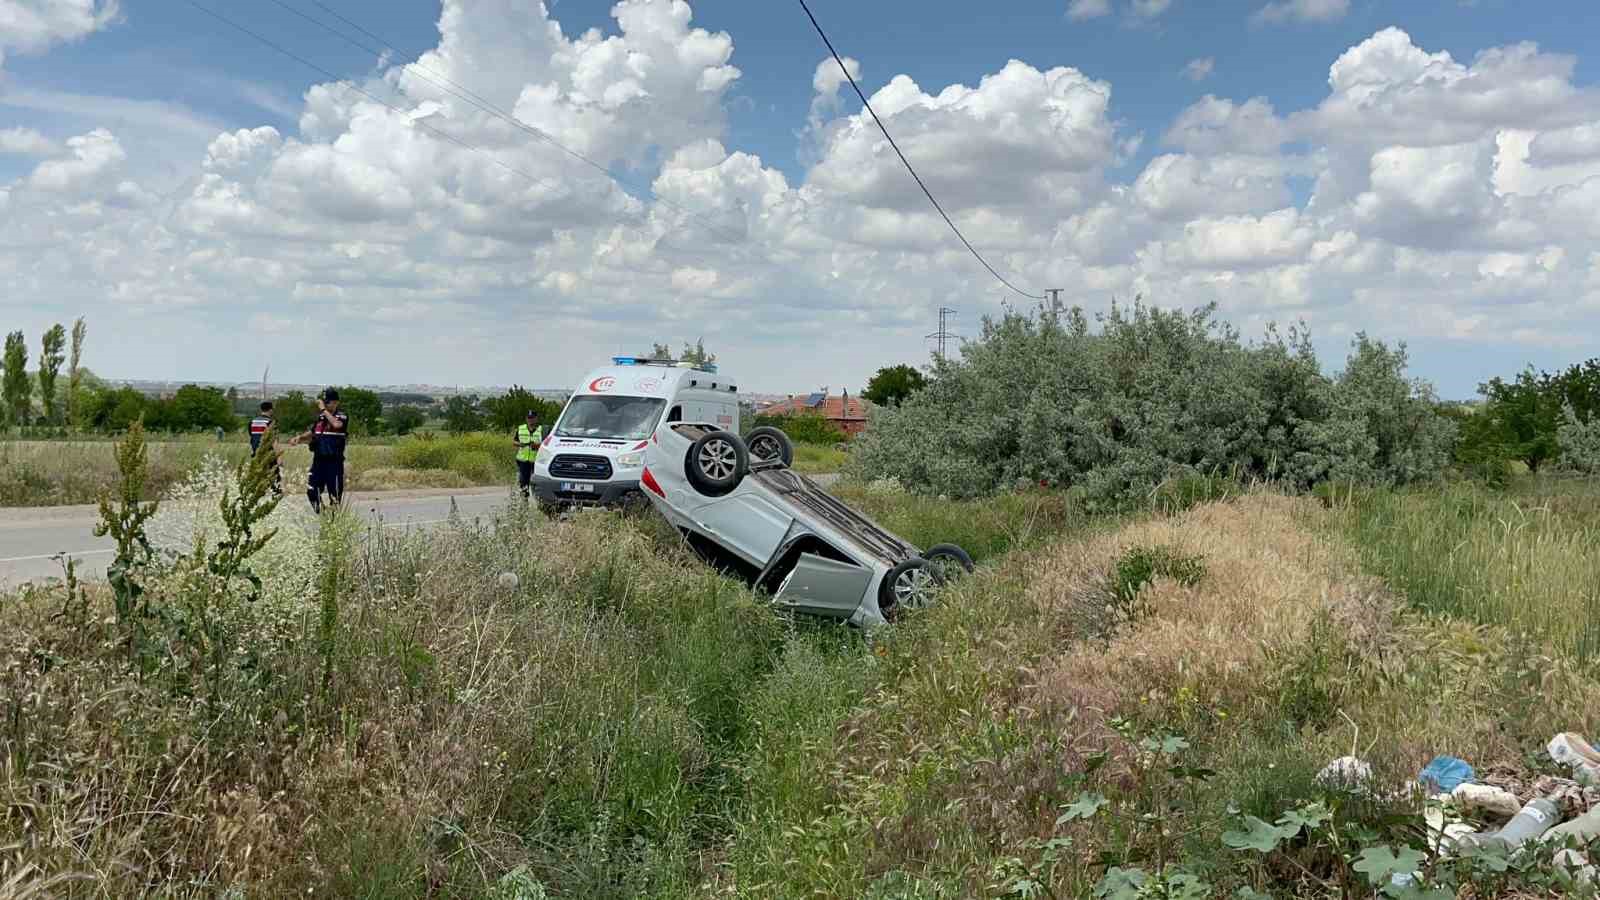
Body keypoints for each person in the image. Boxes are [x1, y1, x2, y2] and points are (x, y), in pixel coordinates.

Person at [288, 388, 348, 513]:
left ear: (336, 402)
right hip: (319, 460)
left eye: (328, 402)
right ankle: (323, 515)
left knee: (335, 495)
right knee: (312, 491)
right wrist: (299, 438)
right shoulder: (321, 417)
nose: (325, 405)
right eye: (324, 402)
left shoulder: (341, 415)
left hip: (334, 461)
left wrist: (323, 410)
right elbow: (313, 432)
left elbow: (337, 425)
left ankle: (334, 520)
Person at [249, 400, 283, 496]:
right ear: (271, 410)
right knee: (274, 476)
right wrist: (279, 457)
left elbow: (252, 438)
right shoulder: (271, 423)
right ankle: (275, 493)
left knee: (258, 475)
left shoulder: (252, 422)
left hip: (256, 454)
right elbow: (274, 441)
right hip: (269, 454)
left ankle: (255, 493)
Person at [515, 410, 544, 499]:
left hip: (536, 461)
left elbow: (546, 444)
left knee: (538, 482)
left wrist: (538, 446)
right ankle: (525, 500)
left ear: (536, 419)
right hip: (523, 460)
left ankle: (540, 500)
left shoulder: (541, 430)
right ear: (526, 419)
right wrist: (521, 444)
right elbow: (514, 441)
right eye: (529, 418)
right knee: (524, 482)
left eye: (532, 418)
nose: (530, 420)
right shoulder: (520, 428)